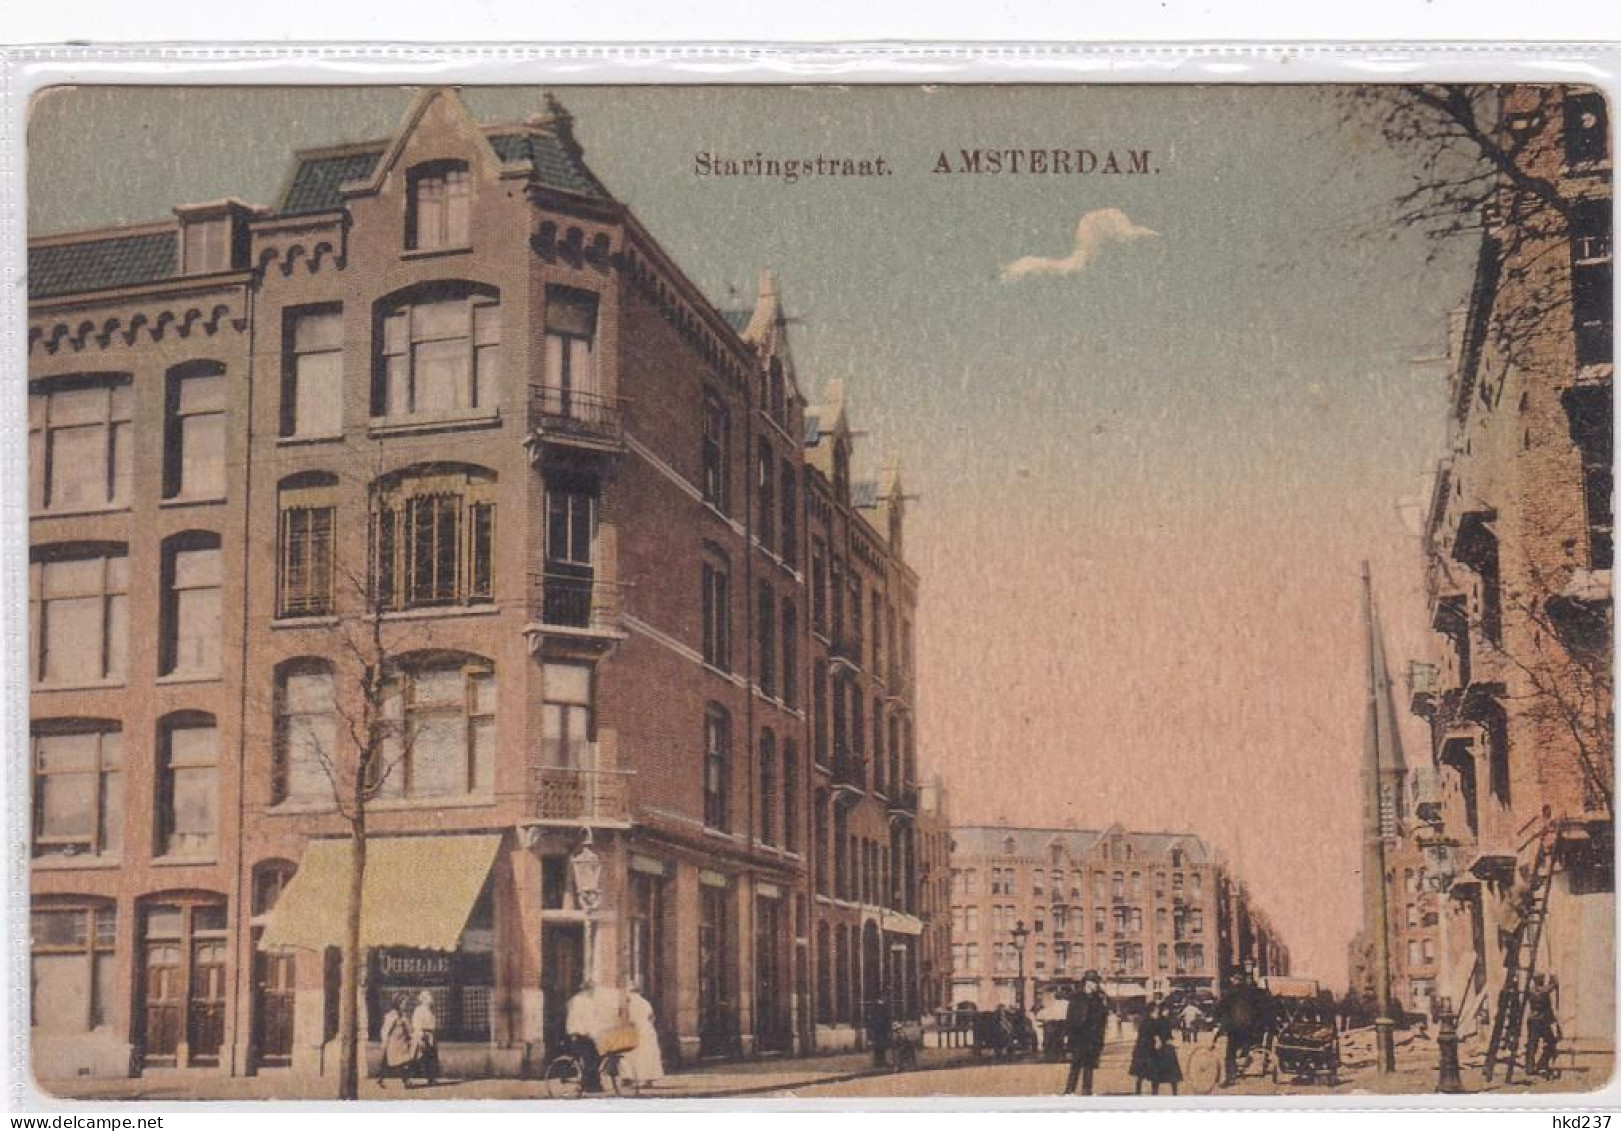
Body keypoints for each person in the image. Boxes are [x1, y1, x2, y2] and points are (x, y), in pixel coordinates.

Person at [1062, 970, 1110, 1096]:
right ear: (1088, 983)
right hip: (1078, 1036)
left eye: (1097, 983)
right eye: (1095, 982)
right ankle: (1069, 1090)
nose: (1097, 985)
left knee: (1089, 1066)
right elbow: (1070, 1018)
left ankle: (1086, 1091)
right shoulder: (1077, 998)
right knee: (1075, 1065)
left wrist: (1100, 1038)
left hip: (1092, 1037)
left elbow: (1103, 1019)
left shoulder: (1099, 999)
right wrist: (1068, 1036)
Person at [1216, 972, 1266, 1087]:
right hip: (1250, 1027)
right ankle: (1245, 1061)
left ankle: (1230, 1078)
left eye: (1233, 979)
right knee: (1245, 1047)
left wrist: (1216, 1018)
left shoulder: (1230, 993)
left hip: (1235, 1028)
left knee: (1230, 1054)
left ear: (1234, 980)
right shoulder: (1250, 992)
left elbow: (1220, 1007)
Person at [1131, 997, 1183, 1096]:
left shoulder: (1157, 1020)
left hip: (1155, 1048)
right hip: (1156, 1049)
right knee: (1160, 1073)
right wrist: (1162, 1041)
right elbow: (1156, 1035)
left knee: (1150, 1073)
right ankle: (1165, 1093)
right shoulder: (1155, 1021)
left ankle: (1151, 1093)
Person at [565, 979, 607, 1093]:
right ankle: (589, 1085)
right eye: (592, 989)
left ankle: (593, 1084)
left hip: (587, 1034)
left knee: (597, 1057)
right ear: (587, 989)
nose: (593, 992)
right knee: (590, 1059)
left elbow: (592, 1019)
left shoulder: (588, 1001)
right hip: (579, 1034)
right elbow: (574, 1018)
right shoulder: (577, 1001)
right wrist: (576, 1032)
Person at [625, 981, 665, 1086]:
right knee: (649, 1054)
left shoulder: (629, 1003)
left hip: (636, 1030)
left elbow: (628, 1019)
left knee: (634, 1054)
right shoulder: (645, 1002)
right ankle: (649, 1079)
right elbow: (651, 1017)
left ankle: (631, 1078)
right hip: (647, 1030)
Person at [1526, 974, 1560, 1077]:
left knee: (1548, 1042)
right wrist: (1554, 984)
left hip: (1540, 1020)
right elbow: (1544, 990)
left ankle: (1538, 1065)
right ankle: (1532, 1066)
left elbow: (1548, 1005)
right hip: (1537, 1021)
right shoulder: (1534, 991)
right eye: (1541, 979)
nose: (1542, 981)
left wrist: (1554, 1022)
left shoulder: (1540, 991)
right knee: (1535, 1044)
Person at [377, 992, 414, 1088]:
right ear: (398, 1003)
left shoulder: (403, 1015)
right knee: (394, 1062)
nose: (405, 1005)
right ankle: (382, 1079)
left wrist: (409, 1036)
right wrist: (384, 1042)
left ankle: (406, 1081)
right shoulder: (391, 1015)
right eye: (403, 1003)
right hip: (394, 1043)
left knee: (404, 1061)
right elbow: (386, 1030)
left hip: (402, 1043)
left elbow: (407, 1028)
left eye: (405, 1003)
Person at [407, 990, 439, 1086]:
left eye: (430, 995)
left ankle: (431, 1078)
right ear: (424, 999)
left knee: (431, 1058)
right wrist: (420, 1036)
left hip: (430, 1036)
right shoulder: (418, 1010)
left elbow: (433, 1025)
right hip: (421, 1035)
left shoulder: (431, 1010)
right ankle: (408, 1079)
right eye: (429, 996)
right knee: (417, 1058)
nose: (431, 998)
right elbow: (416, 1024)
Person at [866, 995, 893, 1067]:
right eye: (883, 999)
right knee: (879, 1046)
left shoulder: (881, 1007)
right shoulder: (878, 1008)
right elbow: (882, 1019)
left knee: (881, 1046)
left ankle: (880, 1061)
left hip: (880, 1030)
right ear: (880, 999)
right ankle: (879, 1062)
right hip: (879, 1030)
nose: (885, 1000)